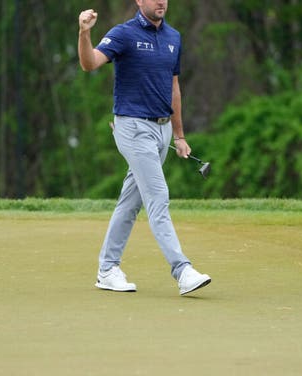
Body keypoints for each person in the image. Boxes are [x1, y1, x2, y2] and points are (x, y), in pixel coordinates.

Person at [78, 0, 211, 295]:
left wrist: (178, 135)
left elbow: (173, 86)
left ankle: (107, 269)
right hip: (133, 128)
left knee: (130, 202)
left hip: (163, 131)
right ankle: (182, 270)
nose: (161, 1)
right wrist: (84, 33)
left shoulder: (173, 37)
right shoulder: (123, 34)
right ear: (139, 1)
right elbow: (89, 64)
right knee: (158, 196)